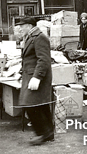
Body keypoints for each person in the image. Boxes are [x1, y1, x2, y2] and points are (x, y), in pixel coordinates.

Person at [15, 16, 54, 145]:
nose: (19, 28)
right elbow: (29, 59)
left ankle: (42, 133)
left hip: (37, 76)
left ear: (30, 26)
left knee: (30, 105)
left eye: (22, 26)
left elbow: (44, 59)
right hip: (30, 75)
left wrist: (37, 77)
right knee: (40, 105)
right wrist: (21, 72)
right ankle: (48, 133)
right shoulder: (31, 37)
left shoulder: (39, 37)